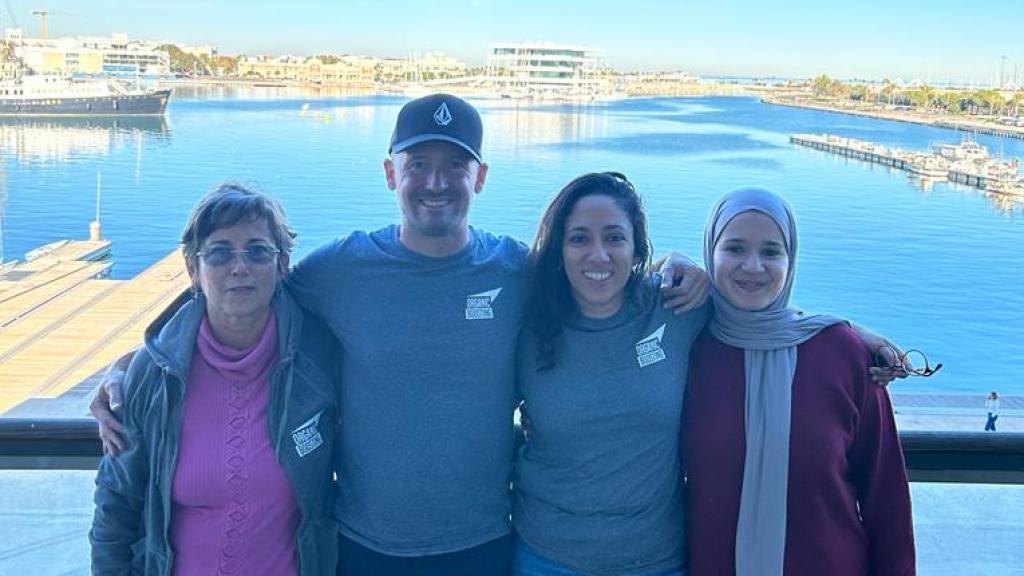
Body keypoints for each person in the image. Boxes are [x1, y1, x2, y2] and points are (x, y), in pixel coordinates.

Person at [91, 94, 710, 576]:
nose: (436, 183)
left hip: (487, 541)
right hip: (365, 544)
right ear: (391, 173)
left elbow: (596, 279)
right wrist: (137, 365)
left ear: (481, 177)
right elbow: (237, 286)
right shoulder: (341, 270)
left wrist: (676, 270)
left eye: (454, 167)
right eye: (419, 166)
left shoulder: (516, 271)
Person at [89, 183, 339, 576]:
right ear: (193, 268)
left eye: (257, 251)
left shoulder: (319, 359)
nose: (239, 267)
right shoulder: (153, 378)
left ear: (282, 264)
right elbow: (116, 507)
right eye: (220, 253)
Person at [683, 188, 915, 576]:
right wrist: (669, 262)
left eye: (771, 251)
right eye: (735, 249)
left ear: (791, 259)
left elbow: (886, 500)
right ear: (710, 252)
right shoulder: (687, 346)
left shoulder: (843, 354)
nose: (753, 267)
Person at [514, 172, 710, 576]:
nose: (599, 255)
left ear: (637, 246)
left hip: (656, 561)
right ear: (559, 250)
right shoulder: (526, 326)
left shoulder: (675, 307)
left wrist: (849, 336)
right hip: (547, 558)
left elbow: (761, 314)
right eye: (579, 238)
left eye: (615, 238)